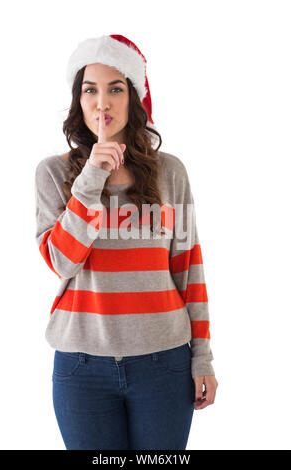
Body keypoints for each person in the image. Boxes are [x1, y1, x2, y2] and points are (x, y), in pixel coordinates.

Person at [34, 34, 218, 451]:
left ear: (134, 99)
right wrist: (90, 180)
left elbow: (189, 268)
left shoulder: (170, 172)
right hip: (81, 368)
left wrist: (202, 356)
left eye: (116, 89)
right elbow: (62, 261)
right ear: (78, 102)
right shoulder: (51, 174)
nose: (103, 102)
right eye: (90, 90)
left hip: (165, 362)